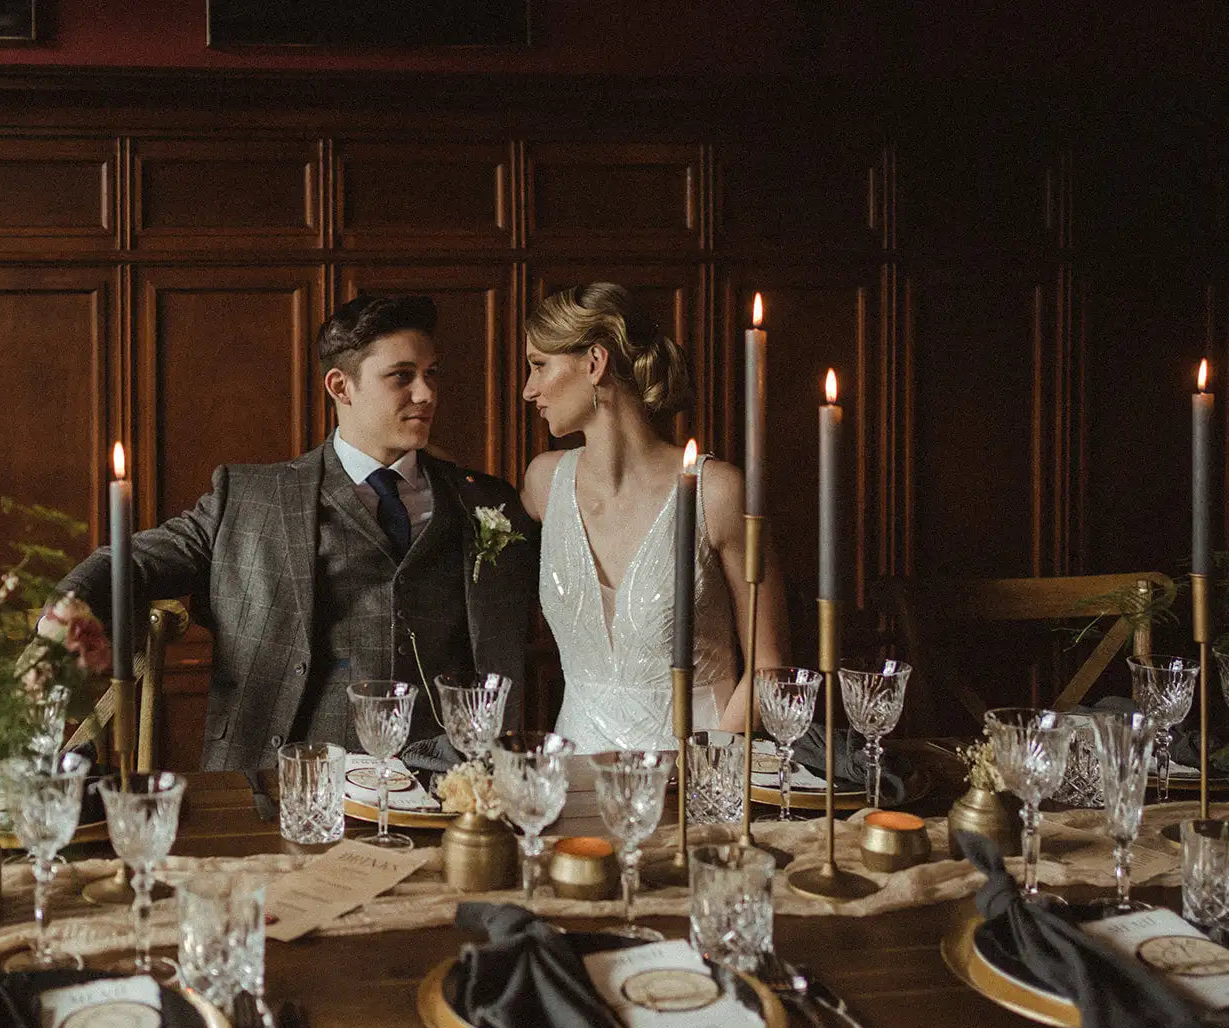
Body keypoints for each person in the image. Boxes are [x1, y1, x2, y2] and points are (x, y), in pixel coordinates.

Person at [60, 295, 537, 771]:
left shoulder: (483, 500)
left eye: (431, 374)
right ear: (340, 385)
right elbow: (136, 559)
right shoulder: (250, 497)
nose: (426, 393)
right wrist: (69, 608)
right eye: (402, 376)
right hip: (287, 772)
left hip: (444, 778)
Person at [520, 282, 789, 753]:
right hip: (573, 777)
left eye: (539, 366)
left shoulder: (717, 493)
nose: (529, 390)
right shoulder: (545, 483)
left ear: (594, 362)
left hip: (696, 771)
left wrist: (710, 765)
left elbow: (769, 665)